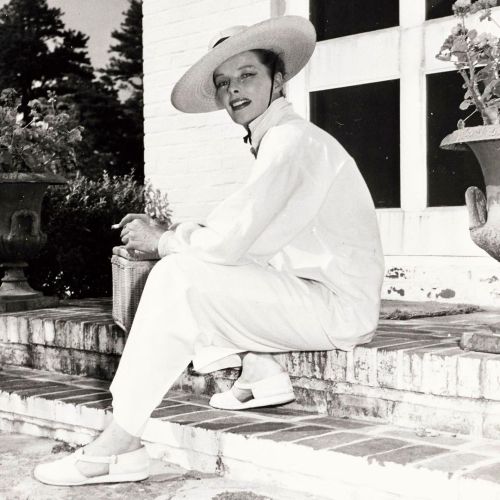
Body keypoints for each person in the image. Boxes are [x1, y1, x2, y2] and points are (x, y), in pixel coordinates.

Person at [33, 15, 384, 486]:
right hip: (312, 295)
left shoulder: (291, 142)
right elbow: (248, 235)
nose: (234, 90)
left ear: (278, 80)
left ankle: (120, 444)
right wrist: (176, 232)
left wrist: (163, 240)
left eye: (247, 75)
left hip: (336, 308)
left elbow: (230, 241)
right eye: (223, 82)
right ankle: (261, 369)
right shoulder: (281, 138)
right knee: (195, 263)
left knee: (179, 276)